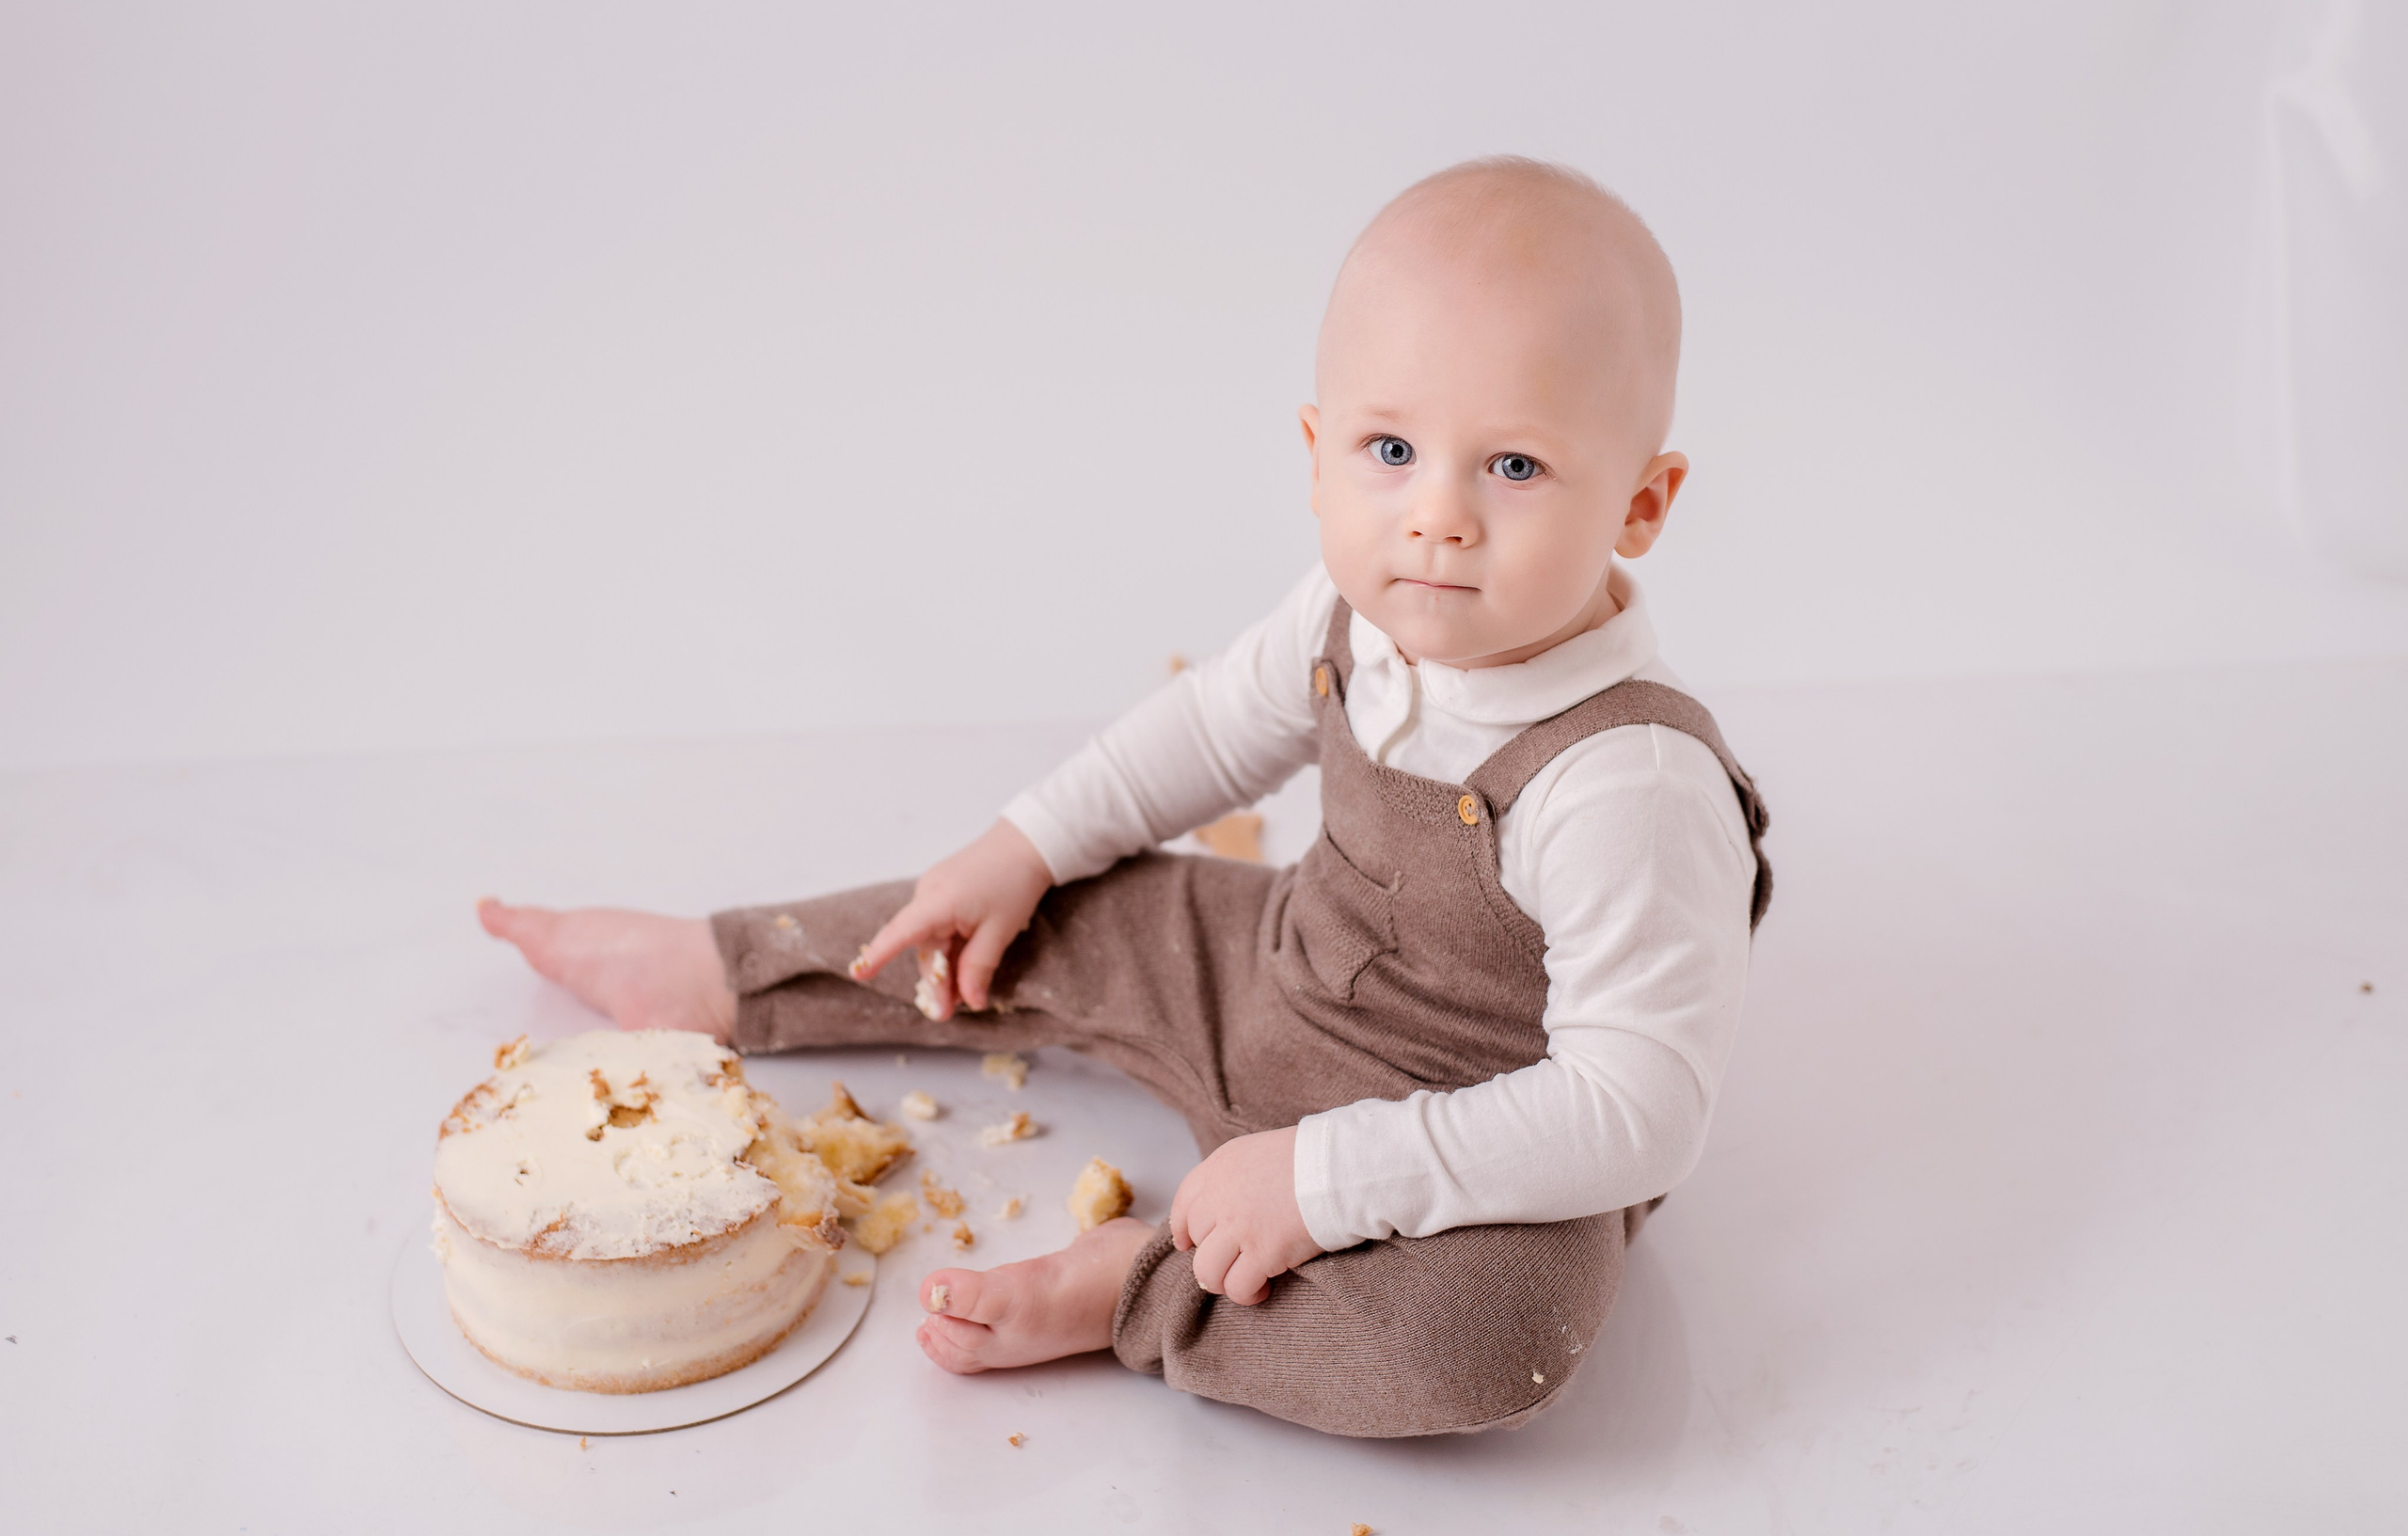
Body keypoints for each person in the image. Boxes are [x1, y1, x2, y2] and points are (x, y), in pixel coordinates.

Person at [479, 155, 1769, 1438]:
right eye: (1392, 448)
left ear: (1642, 504)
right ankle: (730, 971)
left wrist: (1326, 1179)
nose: (1438, 518)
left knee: (1487, 1347)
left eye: (1517, 469)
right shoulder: (1347, 614)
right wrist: (1027, 842)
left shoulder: (1629, 782)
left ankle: (1142, 1297)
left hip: (1493, 1143)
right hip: (1279, 984)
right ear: (1317, 452)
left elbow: (1634, 1112)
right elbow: (1205, 730)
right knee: (1038, 911)